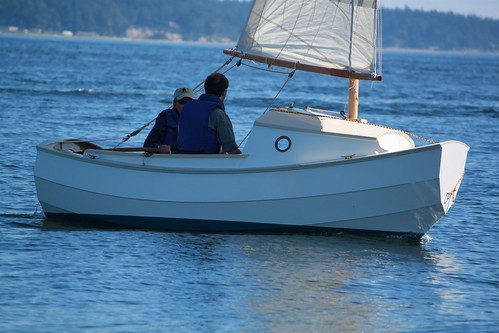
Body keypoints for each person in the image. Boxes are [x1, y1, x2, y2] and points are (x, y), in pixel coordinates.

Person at [177, 73, 241, 154]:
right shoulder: (218, 114)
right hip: (206, 160)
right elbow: (231, 149)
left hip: (182, 158)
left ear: (205, 88)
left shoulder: (187, 107)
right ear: (224, 92)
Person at [143, 87, 195, 154]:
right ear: (174, 103)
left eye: (189, 102)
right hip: (169, 159)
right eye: (182, 102)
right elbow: (148, 145)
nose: (186, 105)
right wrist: (159, 147)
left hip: (192, 159)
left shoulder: (199, 120)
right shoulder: (164, 121)